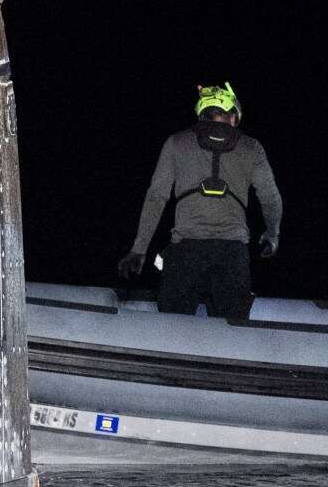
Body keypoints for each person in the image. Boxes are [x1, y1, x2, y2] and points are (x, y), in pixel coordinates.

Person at [117, 83, 282, 319]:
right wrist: (272, 234)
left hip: (185, 252)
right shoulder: (252, 147)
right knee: (233, 332)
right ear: (233, 114)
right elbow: (271, 198)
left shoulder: (176, 142)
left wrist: (139, 249)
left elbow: (156, 197)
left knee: (173, 329)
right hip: (232, 253)